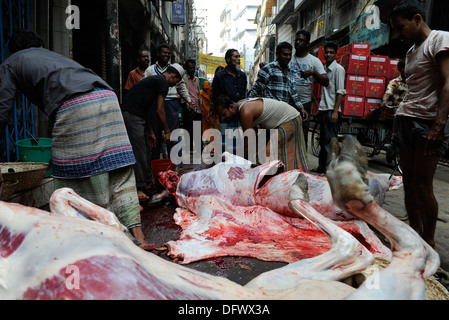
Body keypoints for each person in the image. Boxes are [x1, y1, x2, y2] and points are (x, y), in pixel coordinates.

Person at [0, 30, 147, 245]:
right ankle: (139, 238)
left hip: (76, 105)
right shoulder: (50, 55)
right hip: (107, 97)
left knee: (74, 178)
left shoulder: (11, 62)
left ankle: (102, 242)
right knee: (119, 173)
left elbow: (3, 107)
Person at [390, 0, 449, 249]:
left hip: (426, 122)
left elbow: (448, 84)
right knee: (410, 182)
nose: (399, 34)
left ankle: (429, 241)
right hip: (405, 118)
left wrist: (439, 125)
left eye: (401, 27)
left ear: (417, 19)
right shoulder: (411, 51)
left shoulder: (440, 40)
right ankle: (415, 237)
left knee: (424, 185)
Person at [121, 64, 185, 201]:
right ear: (173, 77)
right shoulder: (163, 83)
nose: (175, 84)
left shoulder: (156, 81)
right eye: (176, 82)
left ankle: (148, 183)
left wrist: (151, 131)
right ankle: (138, 189)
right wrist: (167, 132)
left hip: (139, 115)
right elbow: (160, 111)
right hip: (132, 115)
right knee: (138, 151)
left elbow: (149, 109)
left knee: (145, 149)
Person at [214, 95, 309, 172]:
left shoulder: (245, 112)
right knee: (260, 149)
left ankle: (278, 179)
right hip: (281, 121)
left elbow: (248, 142)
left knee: (270, 152)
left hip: (290, 119)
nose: (222, 118)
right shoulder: (240, 107)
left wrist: (240, 165)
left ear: (231, 107)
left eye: (223, 114)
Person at [143, 44, 191, 161]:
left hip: (171, 103)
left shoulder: (174, 71)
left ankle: (176, 164)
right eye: (164, 52)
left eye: (168, 53)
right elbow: (144, 85)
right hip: (154, 104)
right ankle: (154, 163)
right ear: (158, 54)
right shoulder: (150, 70)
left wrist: (189, 101)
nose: (166, 55)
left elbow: (182, 87)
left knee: (173, 135)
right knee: (155, 134)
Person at [289, 29, 329, 149]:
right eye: (296, 40)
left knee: (302, 135)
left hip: (304, 103)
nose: (297, 42)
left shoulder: (314, 61)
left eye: (301, 40)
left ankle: (302, 164)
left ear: (307, 44)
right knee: (287, 133)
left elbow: (326, 81)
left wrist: (313, 72)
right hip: (287, 102)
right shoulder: (288, 58)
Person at [248, 42, 307, 121]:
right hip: (268, 113)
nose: (288, 57)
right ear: (277, 54)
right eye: (285, 54)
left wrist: (301, 108)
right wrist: (250, 109)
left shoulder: (290, 73)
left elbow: (293, 93)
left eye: (290, 54)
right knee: (265, 133)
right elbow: (256, 90)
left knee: (280, 133)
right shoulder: (268, 69)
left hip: (284, 115)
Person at [311, 42, 346, 175]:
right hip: (325, 109)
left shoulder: (338, 69)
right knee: (323, 140)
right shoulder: (324, 69)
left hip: (332, 110)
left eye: (331, 52)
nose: (328, 54)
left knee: (330, 142)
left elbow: (340, 92)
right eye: (326, 52)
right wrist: (320, 110)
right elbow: (324, 93)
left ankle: (329, 170)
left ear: (336, 54)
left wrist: (336, 111)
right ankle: (321, 167)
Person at [181, 59, 202, 151]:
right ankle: (189, 149)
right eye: (190, 68)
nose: (192, 70)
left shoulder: (196, 79)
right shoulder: (183, 79)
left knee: (198, 129)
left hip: (197, 109)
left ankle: (199, 148)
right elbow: (180, 93)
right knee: (189, 129)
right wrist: (186, 105)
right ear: (186, 68)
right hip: (188, 108)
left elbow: (198, 95)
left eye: (193, 68)